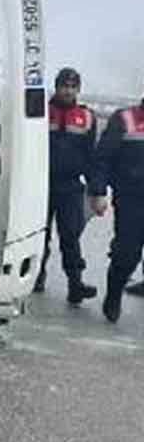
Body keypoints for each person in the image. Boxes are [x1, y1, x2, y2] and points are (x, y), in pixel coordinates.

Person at [34, 68, 98, 303]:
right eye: (64, 86)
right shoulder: (39, 112)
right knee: (40, 235)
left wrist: (96, 190)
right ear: (57, 87)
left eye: (73, 87)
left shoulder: (87, 117)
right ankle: (36, 276)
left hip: (70, 186)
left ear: (78, 90)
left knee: (70, 235)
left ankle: (75, 283)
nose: (68, 91)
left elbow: (92, 156)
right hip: (41, 184)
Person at [88, 93, 144, 323]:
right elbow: (102, 158)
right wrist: (98, 191)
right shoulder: (124, 119)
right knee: (128, 253)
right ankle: (114, 294)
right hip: (132, 198)